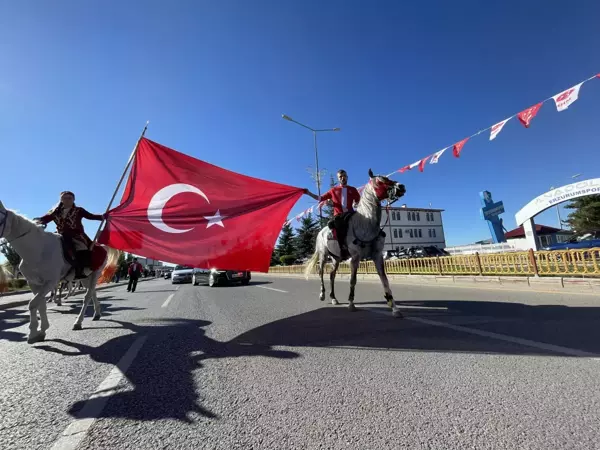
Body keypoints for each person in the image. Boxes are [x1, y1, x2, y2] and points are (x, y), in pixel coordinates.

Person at [34, 191, 106, 279]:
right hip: (60, 235)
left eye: (69, 198)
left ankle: (80, 269)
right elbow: (45, 219)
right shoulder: (55, 212)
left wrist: (102, 217)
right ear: (61, 200)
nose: (67, 200)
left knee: (82, 247)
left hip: (76, 235)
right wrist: (36, 221)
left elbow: (90, 216)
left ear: (73, 199)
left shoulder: (79, 210)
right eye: (64, 198)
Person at [304, 169, 361, 255]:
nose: (342, 178)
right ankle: (342, 249)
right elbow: (320, 198)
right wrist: (309, 193)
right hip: (339, 216)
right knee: (337, 227)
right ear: (338, 179)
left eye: (344, 176)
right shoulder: (333, 190)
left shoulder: (353, 189)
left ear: (347, 177)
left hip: (351, 214)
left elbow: (358, 201)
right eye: (340, 177)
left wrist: (356, 204)